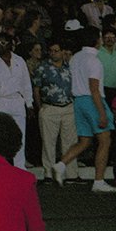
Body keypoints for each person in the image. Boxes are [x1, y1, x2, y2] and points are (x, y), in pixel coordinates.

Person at [61, 29, 115, 191]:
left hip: (78, 100)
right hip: (92, 100)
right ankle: (98, 181)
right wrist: (102, 112)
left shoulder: (75, 58)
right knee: (105, 140)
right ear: (97, 41)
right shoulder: (94, 61)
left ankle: (60, 164)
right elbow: (94, 88)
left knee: (85, 141)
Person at [0, 33, 33, 170]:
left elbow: (26, 83)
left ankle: (20, 168)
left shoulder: (19, 61)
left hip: (17, 101)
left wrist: (29, 103)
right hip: (0, 102)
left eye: (4, 43)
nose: (0, 45)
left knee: (20, 137)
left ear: (11, 44)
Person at [32, 40, 75, 181]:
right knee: (48, 142)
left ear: (63, 52)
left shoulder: (70, 67)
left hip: (68, 107)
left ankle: (71, 174)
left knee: (69, 142)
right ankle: (49, 173)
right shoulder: (42, 68)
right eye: (51, 51)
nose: (53, 53)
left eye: (56, 50)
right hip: (49, 107)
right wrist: (40, 108)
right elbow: (36, 89)